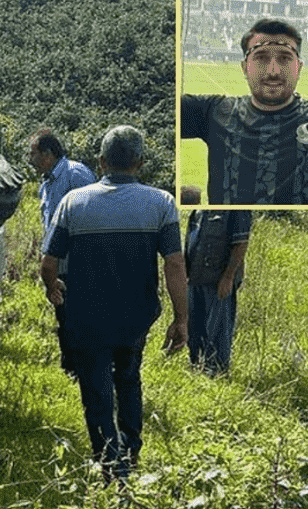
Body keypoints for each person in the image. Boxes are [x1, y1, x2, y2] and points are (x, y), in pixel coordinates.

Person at [40, 125, 188, 483]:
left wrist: (52, 287)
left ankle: (110, 465)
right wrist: (182, 318)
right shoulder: (161, 203)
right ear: (139, 162)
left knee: (95, 387)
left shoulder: (74, 202)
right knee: (128, 377)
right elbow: (174, 264)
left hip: (86, 315)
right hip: (136, 316)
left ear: (102, 161)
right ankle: (131, 452)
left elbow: (48, 262)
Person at [182, 18, 308, 204]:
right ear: (244, 67)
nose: (273, 71)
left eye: (284, 58)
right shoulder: (215, 112)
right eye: (261, 58)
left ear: (298, 67)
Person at [29, 129, 96, 374]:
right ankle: (70, 368)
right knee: (64, 316)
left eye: (33, 154)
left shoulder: (76, 175)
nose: (30, 159)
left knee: (80, 317)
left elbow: (93, 217)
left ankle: (86, 368)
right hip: (58, 264)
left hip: (80, 263)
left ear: (48, 154)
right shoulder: (46, 184)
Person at [185, 210, 251, 377]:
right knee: (194, 327)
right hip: (195, 276)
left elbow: (241, 243)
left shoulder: (237, 208)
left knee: (217, 328)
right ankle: (197, 367)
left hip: (218, 280)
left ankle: (217, 373)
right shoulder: (198, 209)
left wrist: (228, 277)